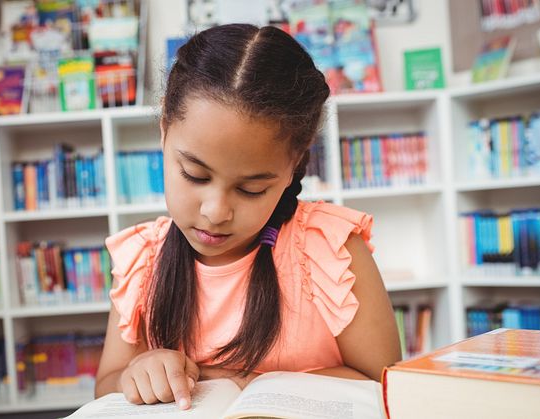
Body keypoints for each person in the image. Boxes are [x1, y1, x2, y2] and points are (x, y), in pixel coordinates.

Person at [94, 23, 401, 411]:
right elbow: (106, 385)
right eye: (195, 175)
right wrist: (139, 372)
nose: (215, 211)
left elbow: (385, 380)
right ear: (164, 131)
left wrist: (247, 383)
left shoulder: (330, 250)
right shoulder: (144, 261)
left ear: (294, 164)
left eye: (251, 189)